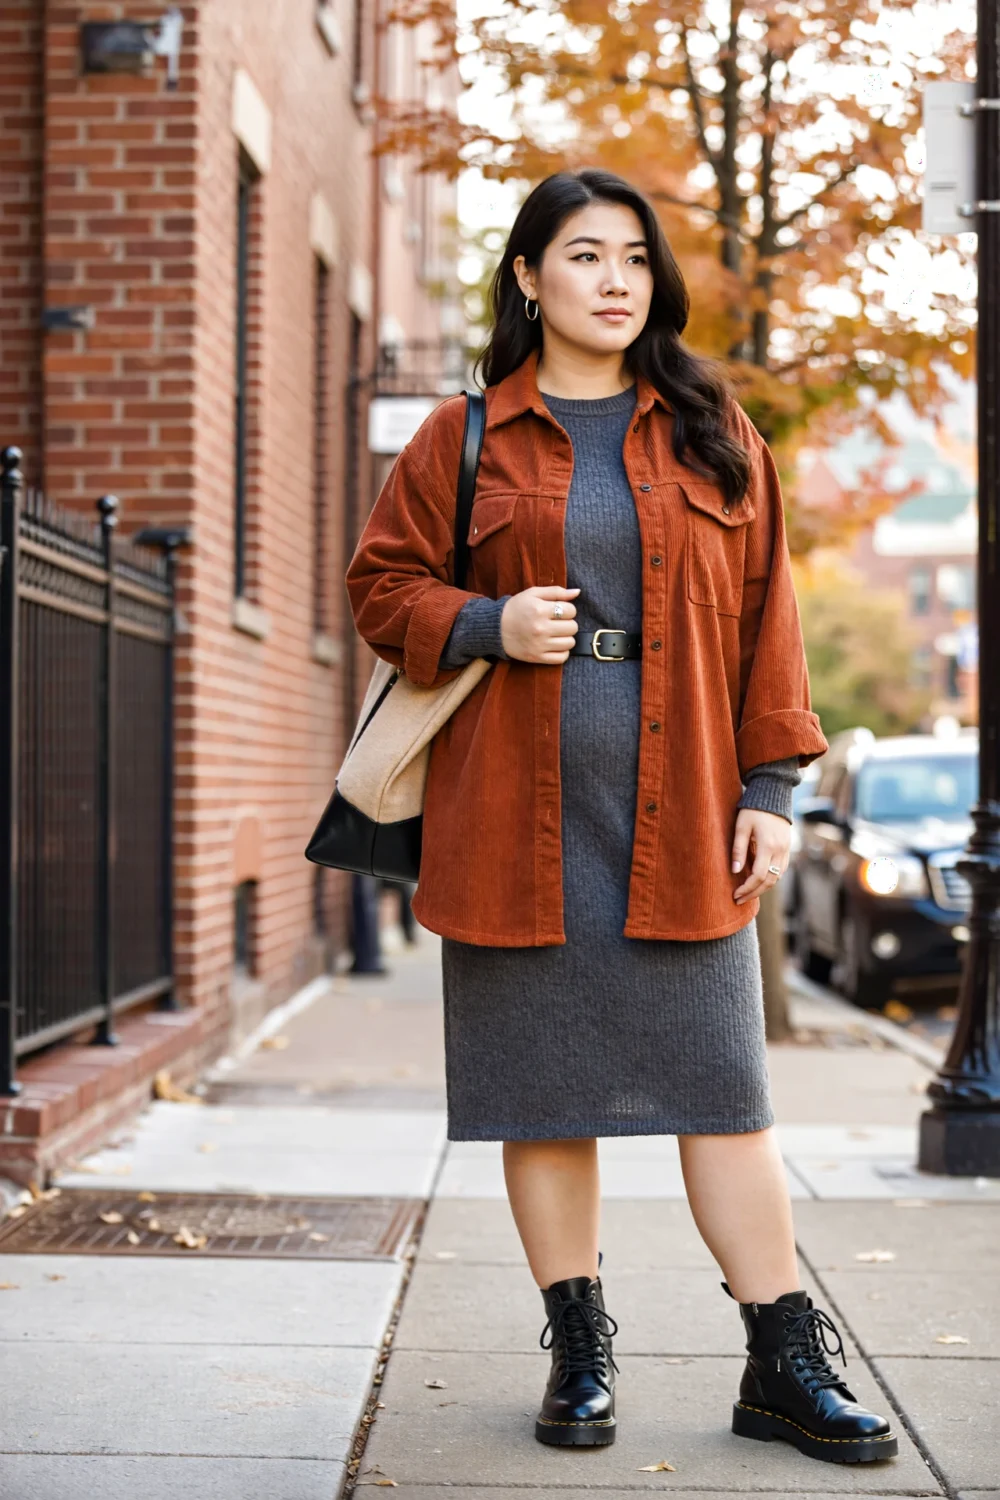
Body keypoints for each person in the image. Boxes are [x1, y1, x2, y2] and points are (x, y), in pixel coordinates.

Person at [346, 169, 898, 1467]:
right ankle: (581, 1350)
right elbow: (380, 589)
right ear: (529, 277)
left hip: (684, 817)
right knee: (545, 1102)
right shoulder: (464, 435)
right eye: (584, 254)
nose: (614, 279)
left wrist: (772, 792)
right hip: (513, 824)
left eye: (635, 259)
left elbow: (773, 627)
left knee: (726, 1099)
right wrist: (484, 621)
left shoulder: (713, 433)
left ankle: (781, 1363)